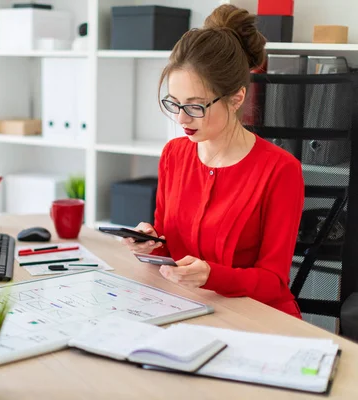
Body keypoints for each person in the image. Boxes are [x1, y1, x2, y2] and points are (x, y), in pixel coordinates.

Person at [123, 4, 304, 319]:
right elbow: (171, 250)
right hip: (187, 307)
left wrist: (211, 275)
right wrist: (150, 245)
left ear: (236, 98)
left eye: (195, 106)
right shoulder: (174, 155)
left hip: (257, 317)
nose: (181, 118)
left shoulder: (280, 169)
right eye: (175, 103)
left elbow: (274, 282)